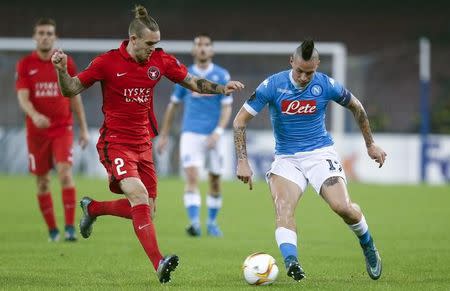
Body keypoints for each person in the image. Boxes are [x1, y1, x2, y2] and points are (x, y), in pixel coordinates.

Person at [51, 5, 244, 283]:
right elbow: (70, 89)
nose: (154, 49)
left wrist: (220, 88)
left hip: (143, 143)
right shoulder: (107, 63)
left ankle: (93, 208)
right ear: (133, 40)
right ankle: (159, 263)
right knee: (139, 197)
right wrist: (60, 70)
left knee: (147, 212)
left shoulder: (160, 61)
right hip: (115, 143)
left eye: (157, 44)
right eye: (149, 44)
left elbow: (192, 82)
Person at [233, 39, 386, 281]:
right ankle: (291, 261)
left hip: (320, 154)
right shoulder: (272, 85)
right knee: (283, 208)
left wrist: (370, 144)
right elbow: (240, 121)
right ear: (291, 62)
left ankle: (367, 244)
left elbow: (357, 107)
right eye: (300, 71)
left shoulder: (326, 84)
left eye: (310, 72)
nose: (304, 77)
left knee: (343, 208)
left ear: (317, 66)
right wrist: (242, 160)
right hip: (287, 158)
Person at [15, 18, 89, 242]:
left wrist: (83, 129)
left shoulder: (65, 62)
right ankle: (53, 231)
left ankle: (69, 228)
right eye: (41, 33)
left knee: (65, 173)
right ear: (35, 37)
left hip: (62, 128)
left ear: (55, 37)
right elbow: (22, 98)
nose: (45, 36)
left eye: (49, 33)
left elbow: (75, 97)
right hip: (37, 132)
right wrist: (35, 115)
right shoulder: (25, 65)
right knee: (43, 181)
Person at [157, 34, 232, 237]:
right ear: (193, 50)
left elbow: (227, 108)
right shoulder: (185, 74)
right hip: (190, 132)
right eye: (199, 45)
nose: (202, 48)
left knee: (215, 179)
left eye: (207, 45)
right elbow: (173, 105)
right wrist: (163, 134)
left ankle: (212, 222)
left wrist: (218, 132)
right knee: (191, 177)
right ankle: (194, 223)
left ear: (212, 50)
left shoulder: (222, 75)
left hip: (215, 135)